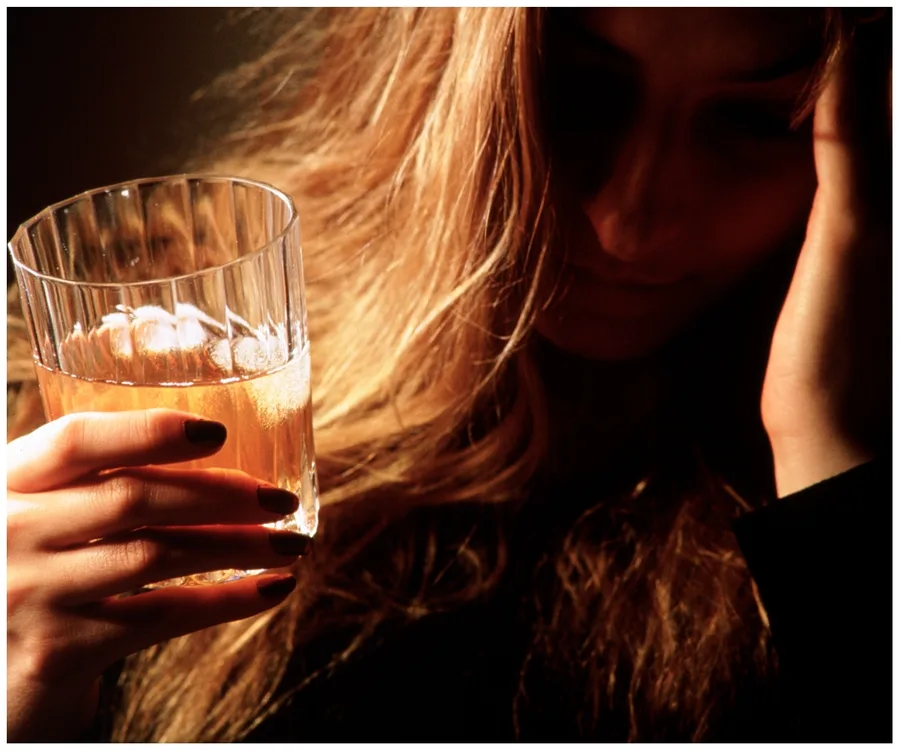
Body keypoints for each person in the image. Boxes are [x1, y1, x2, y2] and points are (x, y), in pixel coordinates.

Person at [6, 7, 891, 743]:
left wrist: (832, 471)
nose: (631, 220)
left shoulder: (852, 464)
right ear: (445, 87)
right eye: (576, 92)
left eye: (754, 121)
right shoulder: (148, 357)